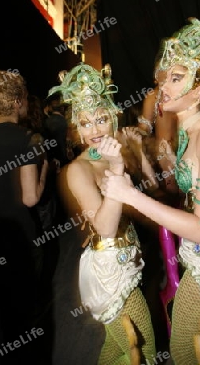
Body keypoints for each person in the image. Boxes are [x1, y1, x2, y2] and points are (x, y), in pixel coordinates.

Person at [100, 17, 200, 364]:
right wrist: (152, 162)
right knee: (191, 347)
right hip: (196, 255)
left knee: (182, 348)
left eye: (177, 78)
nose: (164, 85)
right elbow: (179, 194)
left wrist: (129, 196)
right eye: (164, 77)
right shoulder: (188, 133)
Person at [48, 63, 156, 365]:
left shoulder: (115, 153)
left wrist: (136, 152)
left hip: (132, 258)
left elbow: (151, 192)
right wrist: (118, 169)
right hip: (111, 273)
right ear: (76, 128)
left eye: (101, 119)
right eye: (85, 123)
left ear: (113, 117)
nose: (94, 130)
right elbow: (106, 228)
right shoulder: (78, 170)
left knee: (116, 349)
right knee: (144, 351)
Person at [0, 70, 49, 364]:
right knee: (25, 317)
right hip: (21, 240)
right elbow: (31, 197)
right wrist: (45, 171)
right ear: (18, 101)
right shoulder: (30, 138)